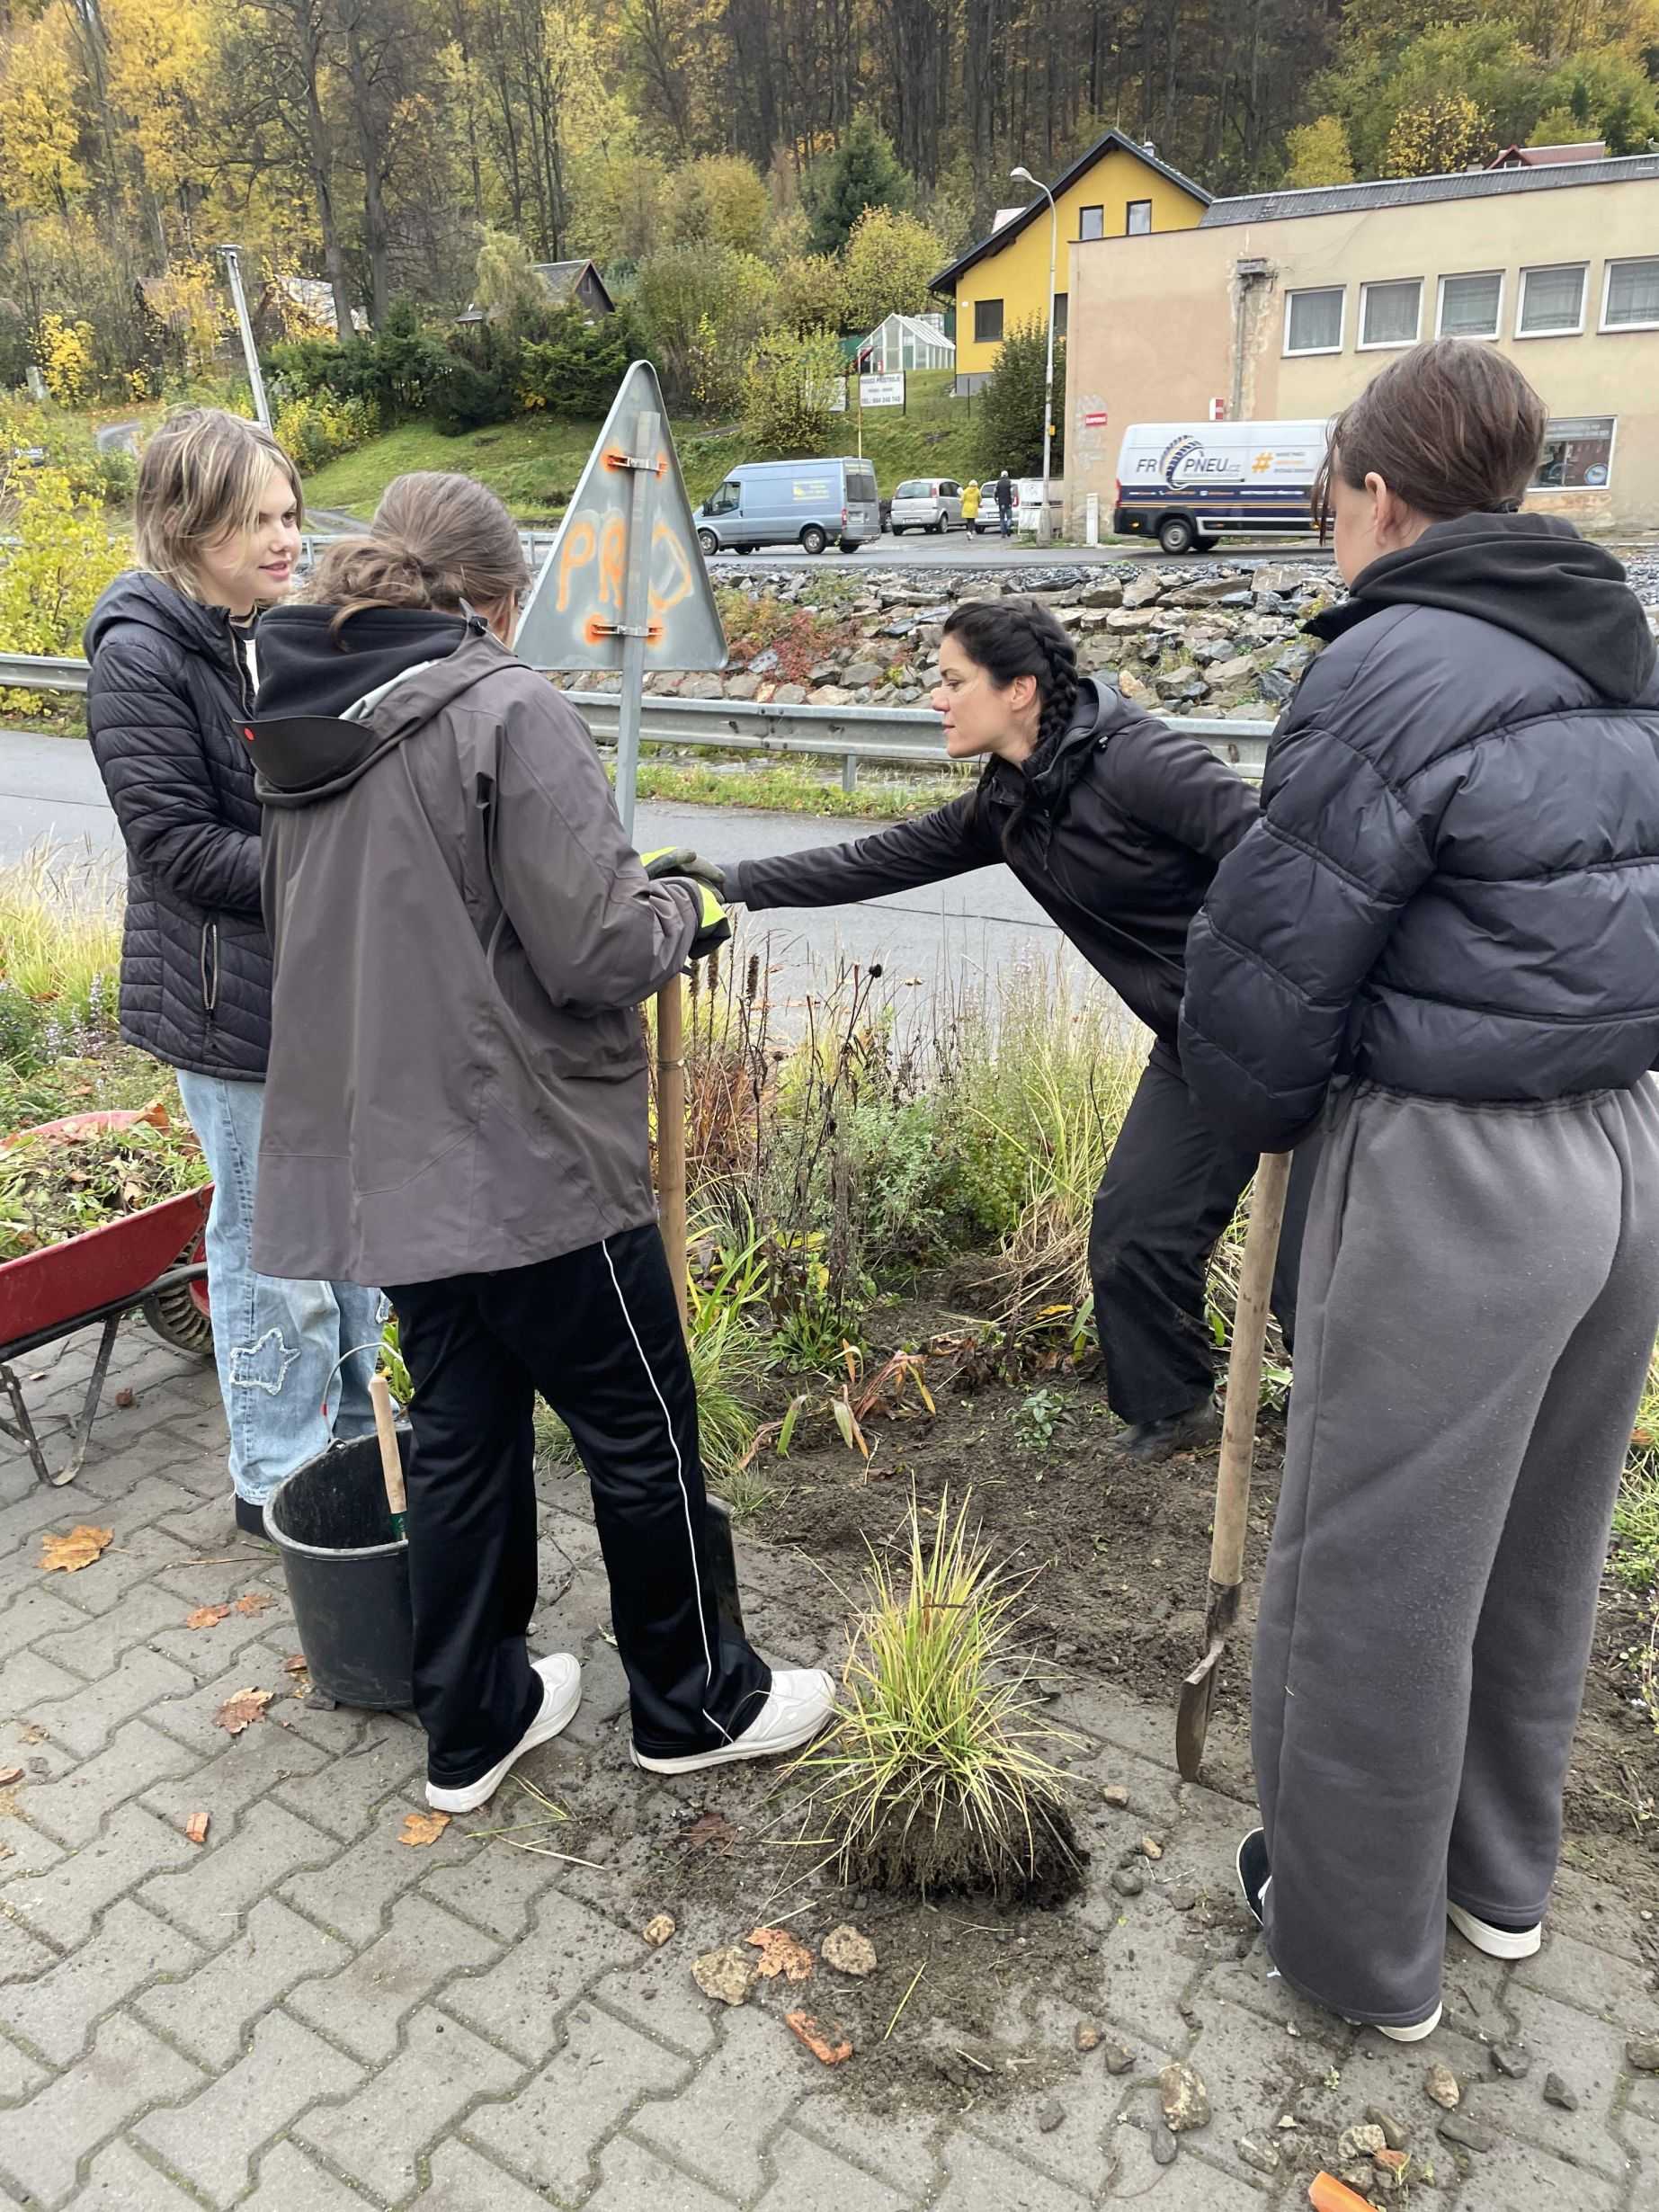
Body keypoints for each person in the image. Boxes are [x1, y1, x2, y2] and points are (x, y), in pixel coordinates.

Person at [1181, 339, 1659, 2041]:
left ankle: (1353, 1951)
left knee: (1368, 1571)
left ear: (1377, 498)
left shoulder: (1389, 666)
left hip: (1458, 1170)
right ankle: (1495, 1886)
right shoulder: (1616, 642)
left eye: (1327, 511)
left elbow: (1273, 960)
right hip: (1621, 1153)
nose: (1330, 542)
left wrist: (1245, 1128)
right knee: (1542, 1545)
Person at [244, 471, 835, 1813]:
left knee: (463, 1433)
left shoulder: (295, 723)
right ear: (502, 597)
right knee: (639, 1432)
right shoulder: (508, 708)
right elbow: (597, 949)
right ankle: (698, 1705)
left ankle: (472, 1720)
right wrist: (686, 908)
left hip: (390, 1168)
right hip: (530, 1166)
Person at [705, 596, 1311, 1458]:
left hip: (1289, 1033)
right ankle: (1175, 1410)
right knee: (1135, 1233)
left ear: (1019, 688)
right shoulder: (1011, 799)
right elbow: (875, 858)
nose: (935, 699)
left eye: (952, 681)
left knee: (1311, 1276)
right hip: (1198, 1045)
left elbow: (1276, 864)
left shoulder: (1143, 765)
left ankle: (1357, 1440)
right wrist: (731, 876)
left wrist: (1267, 989)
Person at [85, 407, 382, 1539]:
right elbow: (178, 850)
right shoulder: (142, 652)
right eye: (252, 519)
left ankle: (354, 1439)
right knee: (272, 1255)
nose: (283, 538)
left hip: (311, 989)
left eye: (289, 513)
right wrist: (343, 870)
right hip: (228, 1004)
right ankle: (275, 1478)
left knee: (347, 1237)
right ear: (181, 522)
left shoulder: (261, 629)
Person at [995, 469, 1015, 537]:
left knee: (1002, 519)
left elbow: (994, 493)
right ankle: (1008, 526)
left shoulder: (998, 483)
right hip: (1008, 503)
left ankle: (1003, 533)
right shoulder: (1010, 482)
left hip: (1001, 504)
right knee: (1009, 517)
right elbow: (1012, 492)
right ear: (1007, 475)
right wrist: (1012, 500)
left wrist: (996, 501)